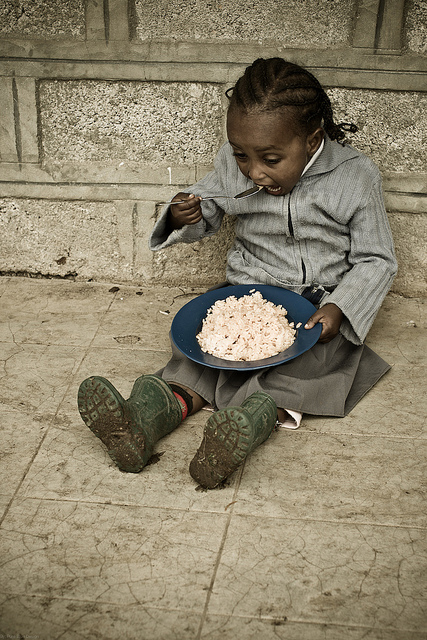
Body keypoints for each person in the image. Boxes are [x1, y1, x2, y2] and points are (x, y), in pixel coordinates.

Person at [78, 57, 397, 489]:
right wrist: (183, 214)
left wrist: (341, 306)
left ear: (312, 139)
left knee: (305, 367)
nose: (254, 171)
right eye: (242, 156)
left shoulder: (355, 176)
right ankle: (143, 419)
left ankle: (242, 428)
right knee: (203, 359)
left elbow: (377, 258)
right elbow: (208, 206)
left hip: (318, 307)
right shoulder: (236, 166)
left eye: (270, 158)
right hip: (250, 296)